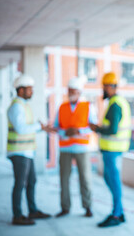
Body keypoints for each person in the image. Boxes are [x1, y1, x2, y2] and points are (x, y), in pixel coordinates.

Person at [7, 75, 52, 225]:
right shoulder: (17, 107)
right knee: (20, 184)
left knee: (31, 181)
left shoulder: (24, 105)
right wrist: (39, 127)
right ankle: (17, 215)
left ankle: (32, 211)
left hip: (26, 151)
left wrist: (41, 128)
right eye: (29, 89)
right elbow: (21, 129)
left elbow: (26, 128)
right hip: (19, 152)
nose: (32, 92)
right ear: (20, 90)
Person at [89, 72, 131, 227]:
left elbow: (112, 129)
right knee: (110, 179)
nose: (103, 90)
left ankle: (116, 214)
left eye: (105, 87)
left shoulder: (115, 104)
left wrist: (97, 128)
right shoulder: (117, 102)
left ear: (110, 86)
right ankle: (119, 212)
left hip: (113, 150)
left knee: (113, 181)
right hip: (113, 150)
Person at [54, 77, 95, 218]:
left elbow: (93, 126)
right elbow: (55, 127)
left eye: (74, 91)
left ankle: (88, 206)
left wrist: (79, 131)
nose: (71, 93)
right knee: (64, 179)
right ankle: (65, 207)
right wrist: (65, 132)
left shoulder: (88, 106)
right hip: (65, 148)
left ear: (79, 92)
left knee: (85, 178)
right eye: (69, 91)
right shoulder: (62, 107)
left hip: (81, 148)